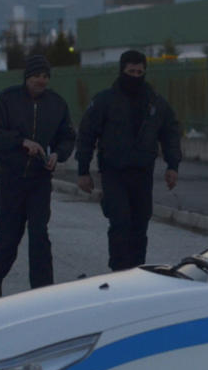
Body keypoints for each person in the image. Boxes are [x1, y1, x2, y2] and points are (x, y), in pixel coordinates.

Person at [76, 50, 182, 271]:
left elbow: (170, 133)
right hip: (114, 171)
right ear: (122, 71)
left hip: (143, 172)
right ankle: (119, 272)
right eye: (131, 71)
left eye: (139, 72)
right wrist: (83, 170)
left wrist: (173, 165)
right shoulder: (105, 101)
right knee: (120, 223)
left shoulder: (155, 103)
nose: (135, 76)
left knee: (140, 225)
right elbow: (86, 134)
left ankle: (137, 272)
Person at [0, 54, 76, 300]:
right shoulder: (7, 100)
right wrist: (21, 142)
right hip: (11, 179)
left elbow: (67, 136)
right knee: (9, 236)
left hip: (39, 180)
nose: (41, 81)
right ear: (27, 77)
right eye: (37, 76)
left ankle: (42, 293)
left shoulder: (57, 104)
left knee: (39, 236)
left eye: (45, 76)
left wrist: (58, 154)